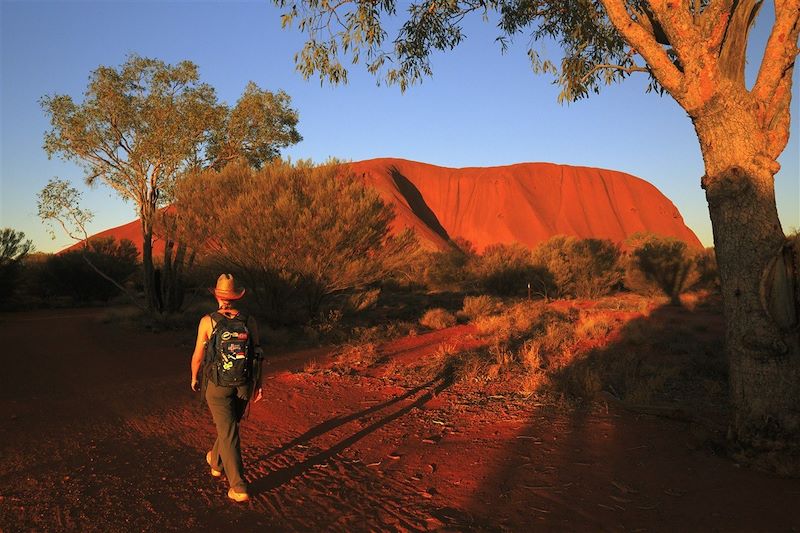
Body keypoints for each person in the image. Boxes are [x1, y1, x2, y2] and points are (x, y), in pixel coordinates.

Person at [190, 274, 263, 503]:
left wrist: (194, 377)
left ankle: (239, 486)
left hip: (218, 384)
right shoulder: (249, 320)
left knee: (229, 430)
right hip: (243, 383)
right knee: (229, 426)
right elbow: (258, 354)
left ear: (217, 296)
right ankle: (216, 462)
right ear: (236, 296)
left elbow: (198, 356)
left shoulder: (208, 321)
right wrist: (259, 384)